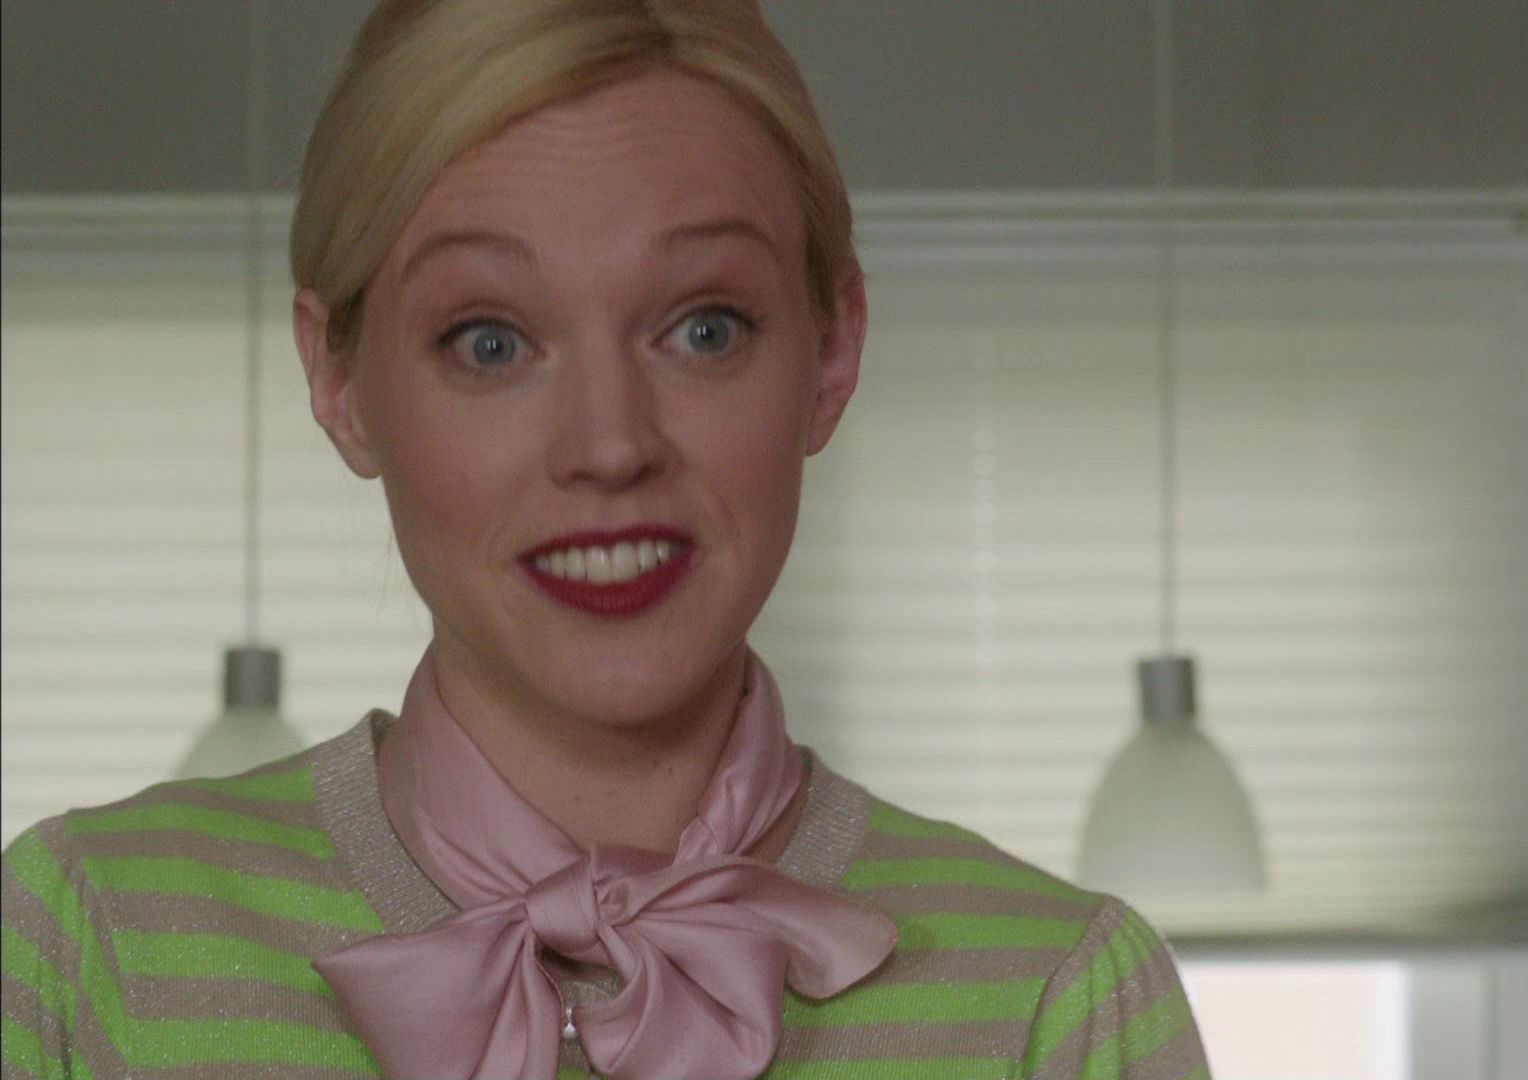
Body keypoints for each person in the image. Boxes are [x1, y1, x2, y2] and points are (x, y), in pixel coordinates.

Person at [0, 2, 1210, 1078]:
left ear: (833, 351)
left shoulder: (1061, 1005)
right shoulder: (84, 948)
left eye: (704, 329)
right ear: (340, 381)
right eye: (490, 342)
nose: (611, 444)